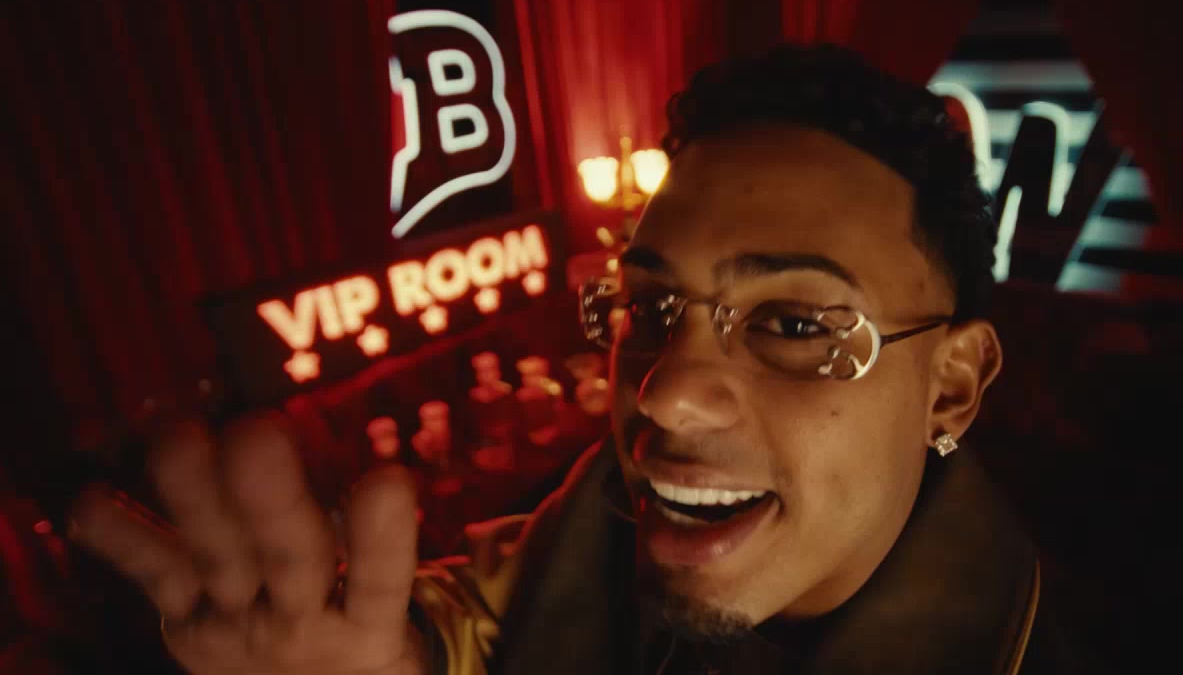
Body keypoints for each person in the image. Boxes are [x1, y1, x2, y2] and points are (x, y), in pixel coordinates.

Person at [70, 44, 1072, 674]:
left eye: (799, 324)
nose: (665, 394)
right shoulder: (605, 514)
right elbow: (487, 606)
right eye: (649, 306)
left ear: (950, 387)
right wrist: (405, 654)